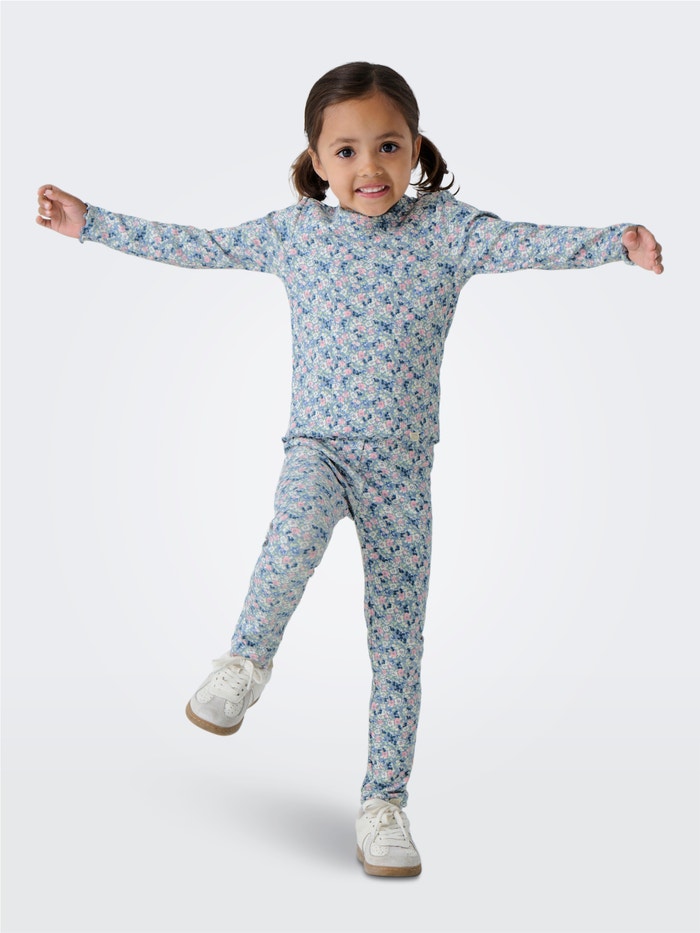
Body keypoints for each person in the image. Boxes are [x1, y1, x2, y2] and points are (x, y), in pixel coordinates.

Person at [36, 61, 663, 878]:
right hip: (319, 447)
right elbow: (200, 246)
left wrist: (615, 243)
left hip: (402, 466)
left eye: (388, 146)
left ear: (416, 149)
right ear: (317, 159)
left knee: (399, 639)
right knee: (291, 535)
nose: (369, 167)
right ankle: (244, 662)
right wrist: (91, 224)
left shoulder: (447, 231)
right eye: (346, 150)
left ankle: (383, 803)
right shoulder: (297, 234)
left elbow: (527, 243)